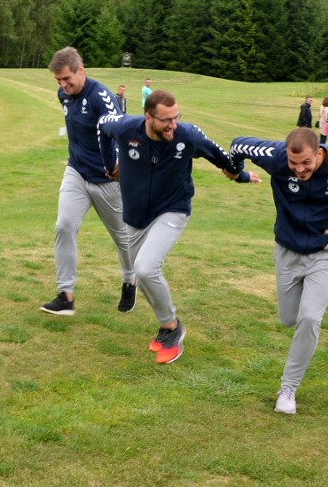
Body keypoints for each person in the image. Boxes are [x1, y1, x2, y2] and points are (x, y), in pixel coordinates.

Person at [229, 128, 328, 414]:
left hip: (326, 254)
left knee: (309, 318)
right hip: (287, 253)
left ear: (319, 152)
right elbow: (237, 145)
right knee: (288, 318)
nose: (300, 169)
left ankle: (288, 389)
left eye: (306, 163)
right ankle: (299, 323)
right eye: (294, 164)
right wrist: (236, 171)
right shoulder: (274, 156)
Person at [97, 90, 258, 364]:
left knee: (146, 269)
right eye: (166, 120)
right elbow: (102, 126)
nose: (173, 125)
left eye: (176, 118)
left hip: (173, 208)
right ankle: (165, 328)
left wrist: (239, 174)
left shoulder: (188, 135)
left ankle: (172, 327)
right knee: (140, 271)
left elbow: (223, 158)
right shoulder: (125, 128)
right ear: (148, 117)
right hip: (135, 214)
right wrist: (110, 163)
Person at [40, 47, 136, 316]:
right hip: (77, 173)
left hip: (108, 179)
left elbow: (119, 130)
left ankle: (130, 279)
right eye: (58, 81)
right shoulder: (64, 95)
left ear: (80, 70)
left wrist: (117, 164)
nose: (63, 85)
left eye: (66, 79)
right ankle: (66, 295)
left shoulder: (101, 96)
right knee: (64, 225)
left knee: (123, 238)